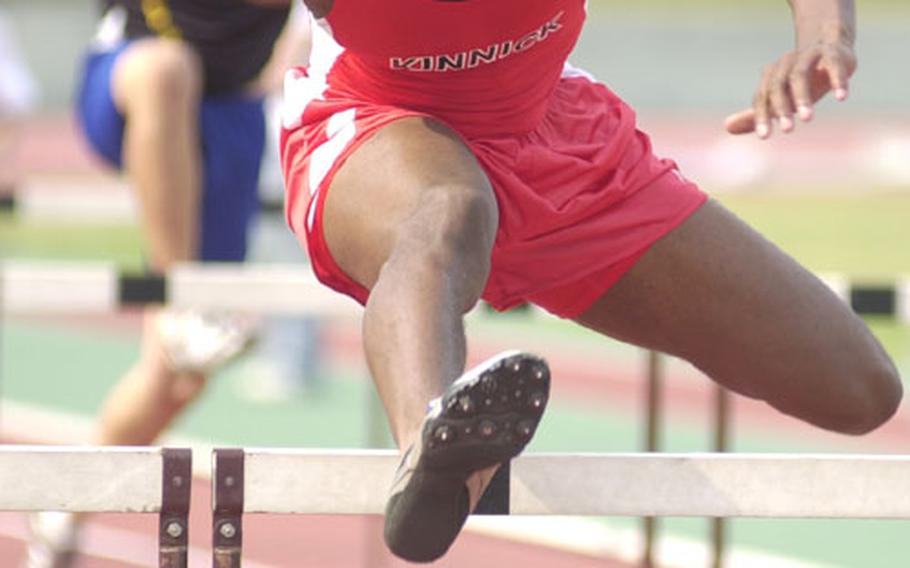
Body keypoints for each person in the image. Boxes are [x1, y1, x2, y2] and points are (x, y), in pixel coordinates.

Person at [279, 0, 903, 563]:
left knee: (858, 388)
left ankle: (442, 453)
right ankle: (435, 454)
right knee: (450, 208)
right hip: (381, 127)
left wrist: (825, 35)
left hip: (559, 138)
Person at [24, 1, 307, 566]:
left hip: (231, 112)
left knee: (179, 378)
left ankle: (63, 510)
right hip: (132, 76)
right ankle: (178, 299)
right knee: (166, 68)